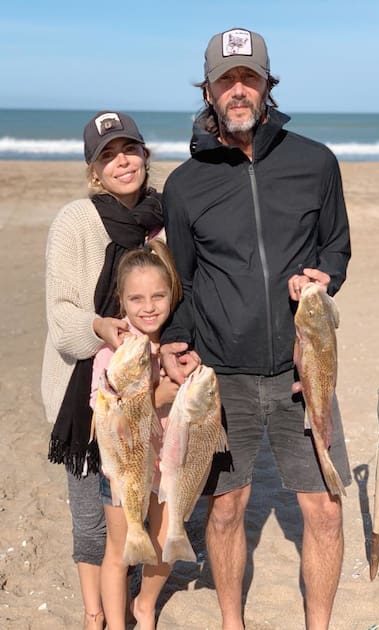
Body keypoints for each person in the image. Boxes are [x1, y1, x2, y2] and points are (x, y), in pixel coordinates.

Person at [159, 27, 352, 630]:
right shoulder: (185, 186)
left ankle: (317, 625)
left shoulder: (315, 161)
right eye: (226, 80)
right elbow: (180, 284)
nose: (237, 90)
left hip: (303, 368)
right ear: (209, 90)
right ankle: (231, 623)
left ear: (268, 84)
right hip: (222, 373)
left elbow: (337, 247)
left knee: (323, 510)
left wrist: (325, 275)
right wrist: (174, 344)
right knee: (224, 509)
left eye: (249, 78)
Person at [42, 111, 165, 630]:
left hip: (147, 387)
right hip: (85, 392)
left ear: (144, 155)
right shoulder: (76, 220)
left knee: (139, 502)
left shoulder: (162, 219)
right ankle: (95, 614)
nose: (122, 162)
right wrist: (102, 328)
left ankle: (134, 599)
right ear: (94, 169)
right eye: (108, 155)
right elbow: (61, 315)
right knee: (92, 518)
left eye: (129, 150)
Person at [90, 240, 196, 630]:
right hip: (124, 471)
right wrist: (156, 396)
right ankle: (116, 623)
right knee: (119, 550)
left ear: (173, 294)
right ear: (121, 300)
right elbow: (103, 414)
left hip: (169, 466)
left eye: (158, 295)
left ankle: (145, 604)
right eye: (136, 298)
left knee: (168, 538)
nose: (148, 306)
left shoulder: (180, 344)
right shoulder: (112, 352)